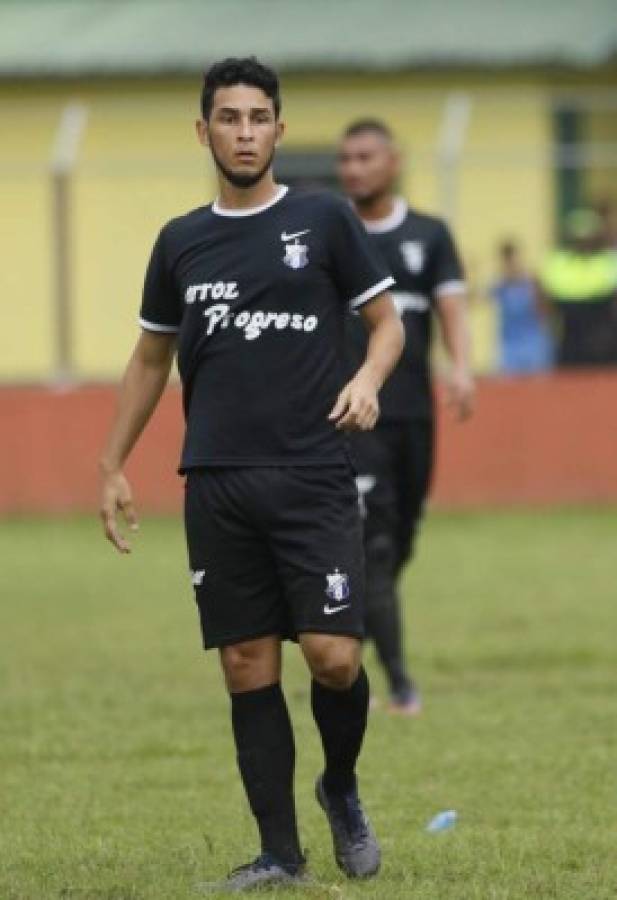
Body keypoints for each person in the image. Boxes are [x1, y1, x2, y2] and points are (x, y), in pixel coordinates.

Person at [98, 58, 404, 892]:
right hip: (218, 479)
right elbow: (149, 357)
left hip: (312, 472)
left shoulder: (324, 219)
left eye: (258, 117)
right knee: (244, 662)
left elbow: (385, 324)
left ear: (277, 128)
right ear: (204, 132)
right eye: (227, 118)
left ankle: (338, 786)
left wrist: (367, 380)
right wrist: (113, 462)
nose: (243, 132)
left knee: (334, 657)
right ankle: (280, 854)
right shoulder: (181, 240)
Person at [338, 119, 474, 715]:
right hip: (352, 419)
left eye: (365, 157)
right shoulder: (331, 233)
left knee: (402, 539)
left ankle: (347, 658)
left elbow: (451, 308)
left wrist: (463, 368)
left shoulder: (429, 234)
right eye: (345, 159)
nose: (353, 168)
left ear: (393, 162)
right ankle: (395, 685)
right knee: (378, 547)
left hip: (415, 417)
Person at [539, 208, 617, 367]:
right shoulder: (558, 262)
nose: (584, 245)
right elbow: (547, 299)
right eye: (579, 240)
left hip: (603, 335)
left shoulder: (609, 260)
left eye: (588, 239)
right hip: (570, 335)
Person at [491, 239, 553, 374]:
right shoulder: (500, 284)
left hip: (533, 344)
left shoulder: (532, 282)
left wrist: (539, 291)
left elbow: (545, 312)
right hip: (509, 346)